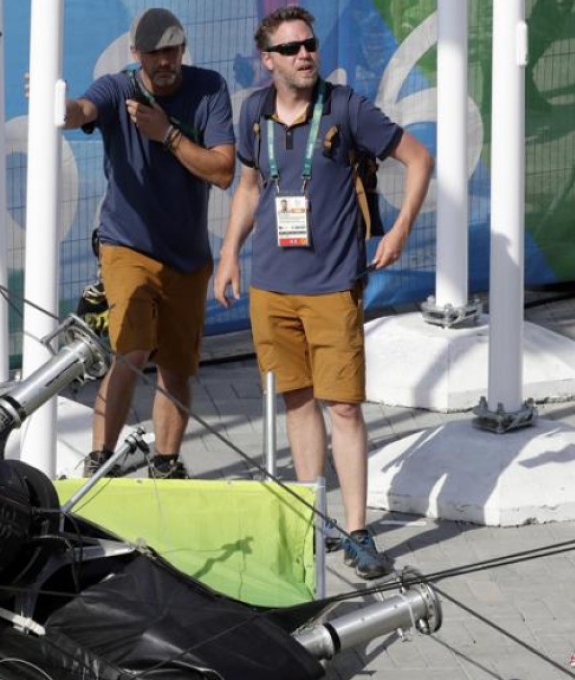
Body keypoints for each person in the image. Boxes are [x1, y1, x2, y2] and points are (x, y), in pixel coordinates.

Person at [213, 6, 432, 578]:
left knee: (345, 408)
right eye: (290, 48)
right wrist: (229, 254)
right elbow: (249, 187)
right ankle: (317, 522)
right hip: (272, 288)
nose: (305, 54)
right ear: (268, 61)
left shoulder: (346, 107)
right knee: (297, 401)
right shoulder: (254, 111)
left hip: (334, 287)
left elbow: (418, 158)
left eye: (309, 44)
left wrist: (399, 233)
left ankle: (358, 531)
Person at [62, 8, 236, 479]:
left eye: (172, 50)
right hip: (127, 245)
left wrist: (167, 135)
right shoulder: (118, 88)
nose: (165, 61)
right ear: (135, 53)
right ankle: (100, 458)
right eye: (155, 52)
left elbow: (223, 171)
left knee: (177, 367)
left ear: (183, 50)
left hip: (188, 255)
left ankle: (165, 462)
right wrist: (56, 109)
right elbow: (82, 111)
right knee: (133, 351)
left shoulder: (209, 88)